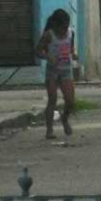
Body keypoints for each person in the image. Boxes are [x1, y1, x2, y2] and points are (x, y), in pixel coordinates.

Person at [37, 8, 77, 141]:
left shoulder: (71, 33)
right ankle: (49, 129)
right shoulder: (49, 35)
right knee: (52, 99)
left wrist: (73, 54)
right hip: (52, 71)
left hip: (66, 70)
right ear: (56, 26)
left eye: (66, 27)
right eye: (62, 28)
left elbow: (70, 47)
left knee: (70, 101)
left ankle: (64, 118)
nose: (65, 30)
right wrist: (47, 56)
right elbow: (38, 50)